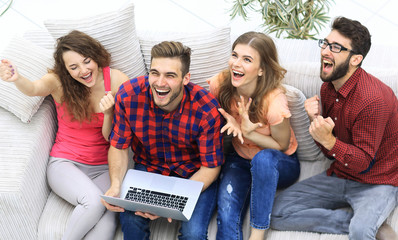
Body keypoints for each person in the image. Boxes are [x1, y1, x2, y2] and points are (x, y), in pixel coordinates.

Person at [270, 17, 398, 240]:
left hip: (377, 180)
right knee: (277, 212)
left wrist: (329, 140)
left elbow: (363, 162)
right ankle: (358, 222)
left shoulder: (373, 100)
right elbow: (331, 151)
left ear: (355, 59)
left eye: (336, 47)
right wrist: (317, 121)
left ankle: (363, 225)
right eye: (326, 43)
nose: (326, 51)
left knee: (360, 234)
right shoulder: (328, 89)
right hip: (340, 174)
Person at [0, 30, 129, 240]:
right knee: (94, 202)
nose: (84, 70)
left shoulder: (116, 80)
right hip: (65, 163)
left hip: (103, 167)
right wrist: (17, 78)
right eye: (74, 67)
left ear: (96, 57)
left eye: (87, 61)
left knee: (109, 216)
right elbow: (33, 88)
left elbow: (111, 139)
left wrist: (109, 113)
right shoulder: (58, 82)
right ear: (66, 70)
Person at [101, 41, 224, 240]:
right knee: (131, 221)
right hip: (149, 168)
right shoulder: (129, 95)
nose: (159, 82)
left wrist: (170, 202)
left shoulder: (206, 108)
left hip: (193, 173)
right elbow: (118, 146)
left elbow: (211, 167)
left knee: (194, 234)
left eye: (170, 75)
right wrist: (116, 185)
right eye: (155, 73)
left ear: (186, 79)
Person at [207, 31, 300, 240]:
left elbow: (282, 145)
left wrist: (248, 132)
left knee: (263, 159)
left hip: (279, 162)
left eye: (247, 59)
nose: (236, 64)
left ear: (261, 70)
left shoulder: (274, 101)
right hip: (240, 159)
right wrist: (225, 124)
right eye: (235, 55)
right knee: (227, 211)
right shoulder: (220, 84)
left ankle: (257, 236)